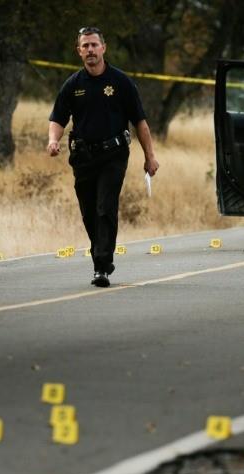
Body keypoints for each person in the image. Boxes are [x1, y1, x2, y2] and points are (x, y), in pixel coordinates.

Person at [47, 27, 159, 288]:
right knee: (88, 212)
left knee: (104, 207)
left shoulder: (120, 82)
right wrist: (53, 140)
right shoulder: (73, 85)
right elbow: (58, 119)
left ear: (103, 48)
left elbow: (140, 122)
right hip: (83, 158)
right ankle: (102, 256)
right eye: (85, 46)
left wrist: (149, 157)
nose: (90, 51)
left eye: (94, 45)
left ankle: (101, 266)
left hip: (114, 155)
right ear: (79, 51)